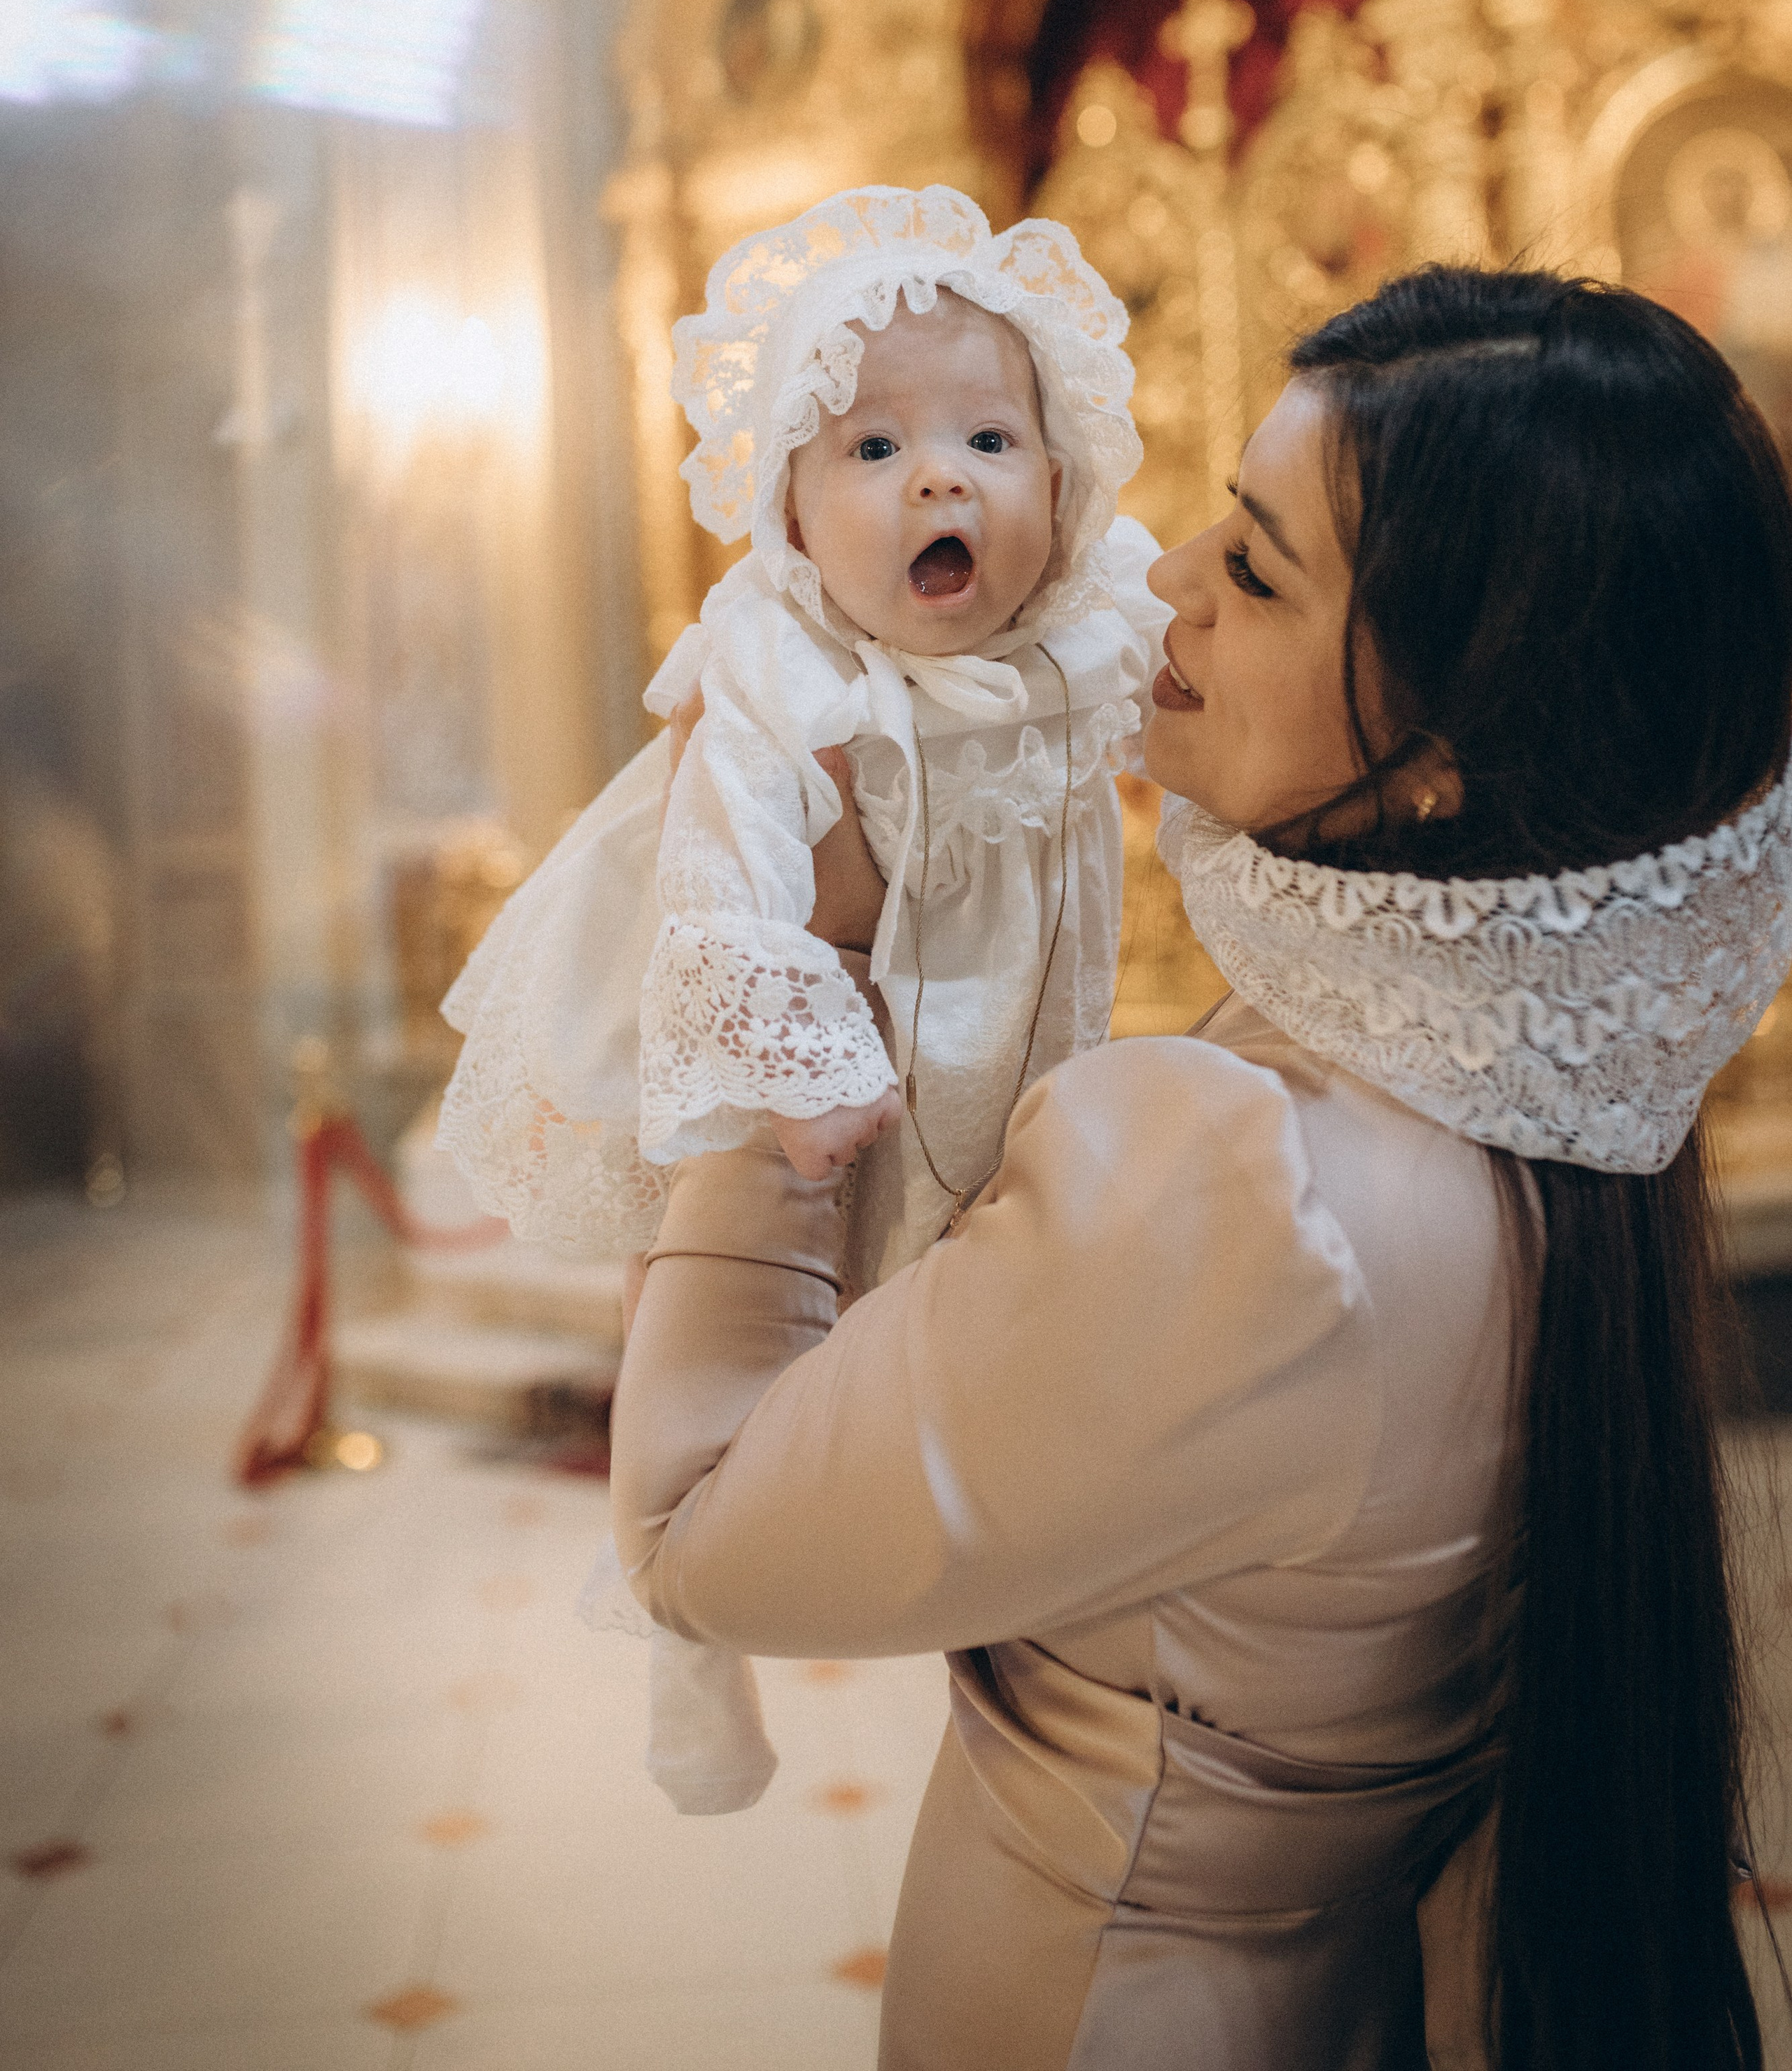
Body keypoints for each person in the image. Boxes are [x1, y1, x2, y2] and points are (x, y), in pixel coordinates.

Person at [609, 265, 1792, 2070]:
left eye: (1251, 566)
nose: (1162, 579)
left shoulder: (1234, 1191)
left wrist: (804, 983)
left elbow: (698, 1536)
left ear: (1442, 757)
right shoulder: (1564, 1103)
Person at [436, 183, 1165, 1813]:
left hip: (978, 1038)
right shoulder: (778, 666)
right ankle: (693, 1662)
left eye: (990, 439)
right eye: (871, 449)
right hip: (730, 1028)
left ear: (1065, 478)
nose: (937, 478)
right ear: (786, 509)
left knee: (941, 1324)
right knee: (706, 1318)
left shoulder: (1086, 641)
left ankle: (974, 1610)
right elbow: (723, 878)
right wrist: (795, 1056)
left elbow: (1172, 764)